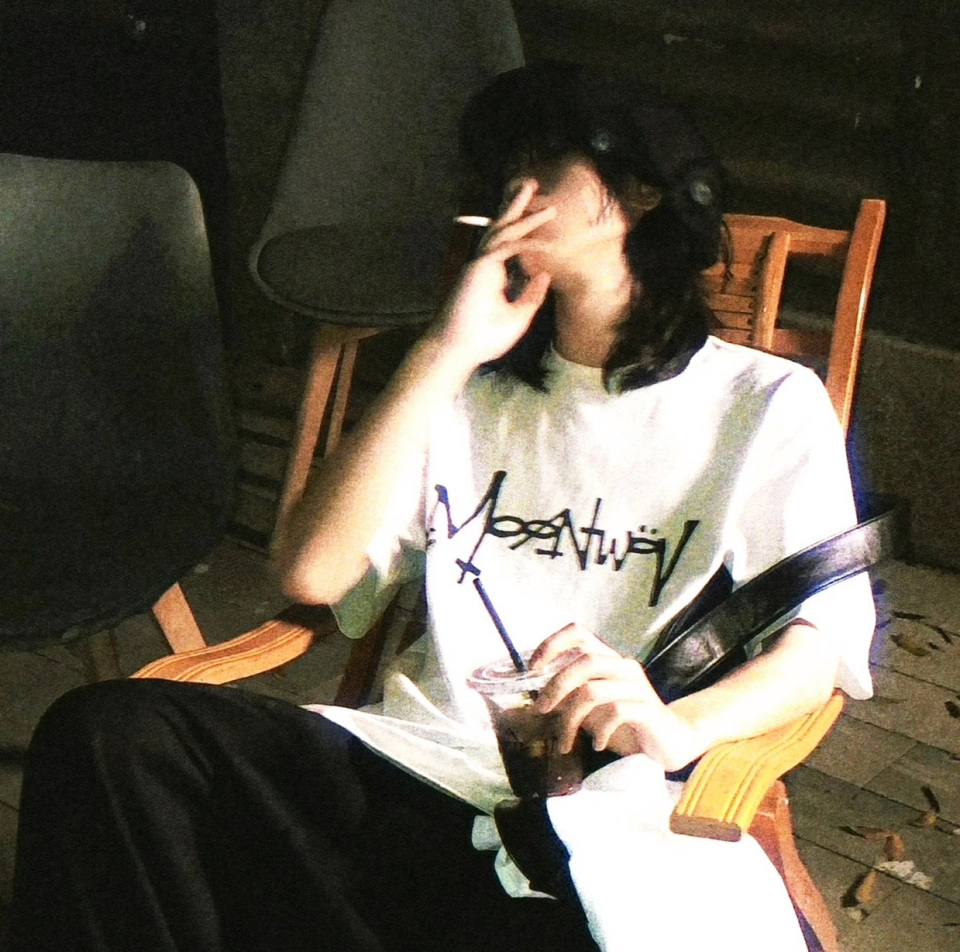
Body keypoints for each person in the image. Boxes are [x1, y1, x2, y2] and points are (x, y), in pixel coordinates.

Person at [7, 62, 875, 952]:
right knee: (108, 732)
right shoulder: (466, 388)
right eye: (505, 169)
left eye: (544, 162)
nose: (514, 192)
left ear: (643, 191)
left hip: (594, 818)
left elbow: (820, 646)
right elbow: (310, 575)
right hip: (401, 771)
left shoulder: (762, 402)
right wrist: (444, 351)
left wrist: (676, 723)